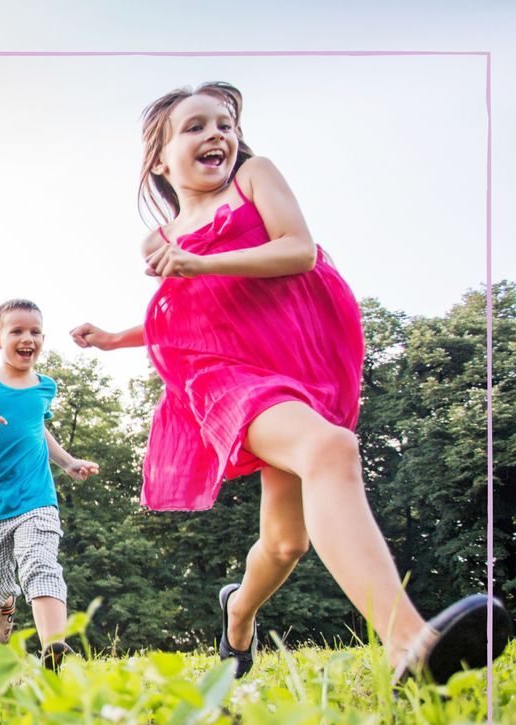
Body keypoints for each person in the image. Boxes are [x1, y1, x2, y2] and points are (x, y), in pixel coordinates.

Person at [71, 81, 510, 683]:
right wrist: (118, 337)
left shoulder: (256, 178)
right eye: (195, 126)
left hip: (297, 365)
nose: (217, 134)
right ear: (160, 159)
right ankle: (408, 641)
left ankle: (237, 611)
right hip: (221, 379)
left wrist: (198, 263)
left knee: (285, 544)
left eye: (225, 124)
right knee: (331, 448)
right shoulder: (161, 240)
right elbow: (196, 317)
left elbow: (297, 250)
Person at [0, 299, 98, 670]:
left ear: (43, 339)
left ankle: (54, 648)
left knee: (40, 563)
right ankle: (4, 607)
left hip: (37, 499)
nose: (26, 338)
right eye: (16, 330)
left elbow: (39, 430)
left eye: (34, 331)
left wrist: (67, 462)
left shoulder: (44, 387)